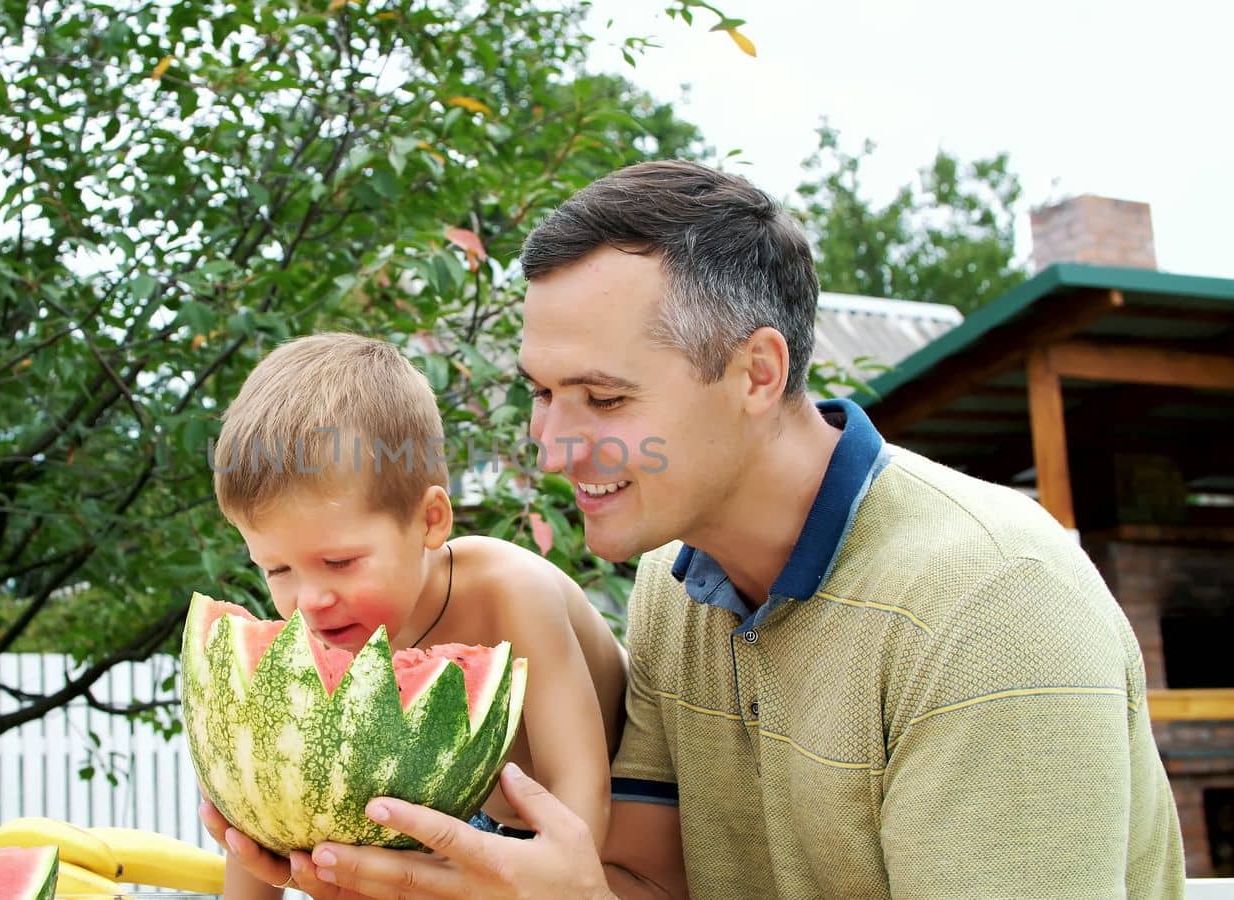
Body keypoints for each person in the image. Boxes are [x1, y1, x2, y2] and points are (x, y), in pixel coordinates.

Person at [224, 161, 1186, 899]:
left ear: (757, 374)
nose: (553, 448)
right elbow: (640, 885)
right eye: (544, 395)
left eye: (603, 398)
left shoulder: (991, 606)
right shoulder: (673, 587)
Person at [201, 332, 630, 900]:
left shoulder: (512, 590)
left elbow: (581, 791)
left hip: (620, 815)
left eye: (339, 561)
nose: (310, 601)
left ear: (430, 520)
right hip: (472, 829)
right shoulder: (330, 622)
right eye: (277, 570)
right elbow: (267, 792)